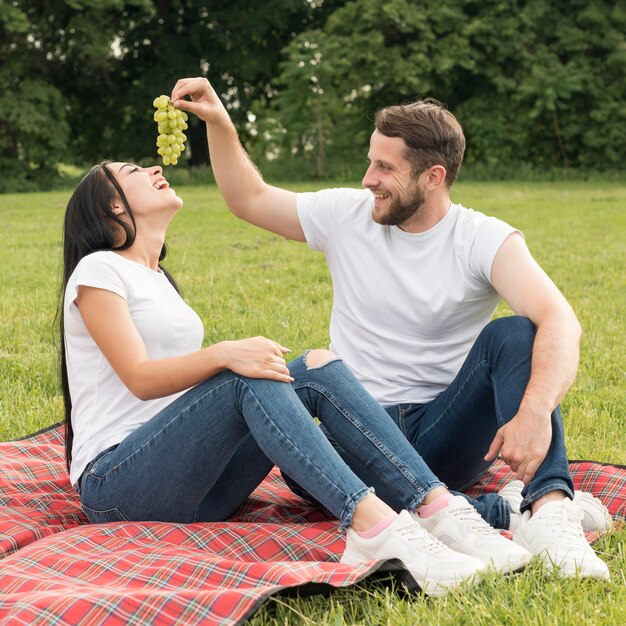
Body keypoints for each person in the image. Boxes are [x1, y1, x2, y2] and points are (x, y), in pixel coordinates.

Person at [168, 77, 611, 580]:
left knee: (516, 334)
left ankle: (550, 509)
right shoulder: (346, 215)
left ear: (432, 176)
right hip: (352, 427)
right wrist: (220, 122)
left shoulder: (481, 238)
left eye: (384, 167)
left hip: (443, 434)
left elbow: (560, 319)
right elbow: (248, 198)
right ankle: (505, 512)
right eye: (370, 161)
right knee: (299, 463)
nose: (367, 179)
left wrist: (533, 410)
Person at [59, 161, 542, 599]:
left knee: (314, 366)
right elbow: (140, 378)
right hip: (118, 485)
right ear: (113, 205)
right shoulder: (98, 270)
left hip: (200, 490)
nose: (155, 166)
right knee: (250, 375)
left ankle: (440, 509)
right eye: (134, 169)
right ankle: (377, 530)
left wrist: (232, 363)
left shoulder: (157, 278)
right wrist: (225, 354)